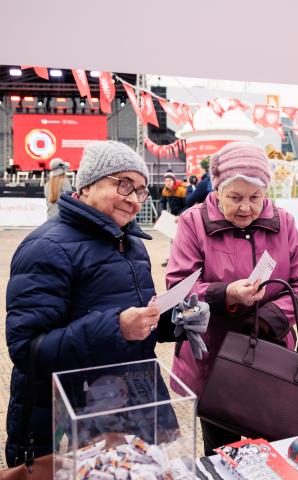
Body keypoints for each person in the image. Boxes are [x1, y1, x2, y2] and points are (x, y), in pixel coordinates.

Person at [4, 141, 207, 466]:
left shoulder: (130, 243)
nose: (132, 198)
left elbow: (139, 324)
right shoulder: (46, 248)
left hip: (132, 409)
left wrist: (175, 320)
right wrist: (115, 327)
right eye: (123, 184)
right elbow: (28, 350)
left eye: (140, 190)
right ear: (87, 184)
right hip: (68, 421)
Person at [165, 142, 298, 455]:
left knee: (270, 448)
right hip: (212, 361)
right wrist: (226, 294)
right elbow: (178, 288)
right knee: (222, 450)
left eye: (255, 197)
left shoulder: (283, 222)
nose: (246, 208)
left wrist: (272, 317)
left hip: (271, 359)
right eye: (235, 197)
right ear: (218, 190)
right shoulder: (193, 223)